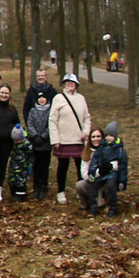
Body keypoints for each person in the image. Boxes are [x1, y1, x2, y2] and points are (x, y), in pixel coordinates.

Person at [49, 73, 91, 204]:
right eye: (67, 82)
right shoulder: (58, 98)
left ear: (76, 84)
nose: (70, 84)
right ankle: (61, 192)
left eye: (72, 82)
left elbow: (86, 118)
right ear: (64, 84)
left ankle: (81, 190)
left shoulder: (81, 98)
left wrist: (86, 132)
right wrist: (55, 139)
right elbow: (52, 119)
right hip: (63, 139)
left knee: (81, 165)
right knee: (63, 167)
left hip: (78, 139)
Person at [83, 121, 127, 217]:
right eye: (107, 135)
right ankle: (92, 208)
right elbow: (95, 161)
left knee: (111, 185)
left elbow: (123, 167)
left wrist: (122, 181)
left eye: (111, 135)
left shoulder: (119, 150)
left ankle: (113, 208)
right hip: (100, 174)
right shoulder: (101, 148)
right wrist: (92, 173)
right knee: (91, 185)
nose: (108, 138)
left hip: (112, 174)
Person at [26, 93, 53, 200]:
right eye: (39, 98)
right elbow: (30, 124)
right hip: (35, 143)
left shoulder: (50, 111)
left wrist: (43, 137)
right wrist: (35, 135)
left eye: (44, 98)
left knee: (44, 167)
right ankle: (36, 187)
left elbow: (50, 125)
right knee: (36, 166)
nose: (42, 100)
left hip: (45, 144)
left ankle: (44, 187)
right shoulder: (33, 111)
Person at [74, 128, 106, 211]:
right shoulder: (86, 152)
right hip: (91, 180)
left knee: (111, 184)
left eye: (98, 136)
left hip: (105, 181)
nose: (96, 139)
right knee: (80, 185)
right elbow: (84, 173)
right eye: (93, 137)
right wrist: (96, 174)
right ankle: (85, 204)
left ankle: (108, 204)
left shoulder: (108, 151)